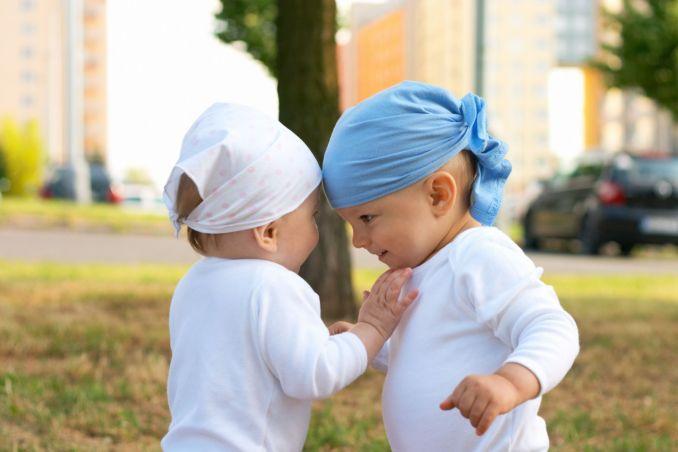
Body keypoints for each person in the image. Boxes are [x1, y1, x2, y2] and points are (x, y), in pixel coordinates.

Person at [323, 81, 579, 451]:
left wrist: (510, 382)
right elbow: (431, 350)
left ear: (438, 195)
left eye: (367, 218)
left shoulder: (478, 255)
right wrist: (371, 340)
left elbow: (553, 327)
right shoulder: (422, 267)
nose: (358, 241)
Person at [160, 103, 418, 451]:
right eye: (311, 216)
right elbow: (315, 374)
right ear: (268, 232)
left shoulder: (193, 284)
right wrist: (372, 329)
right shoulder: (273, 285)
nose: (316, 231)